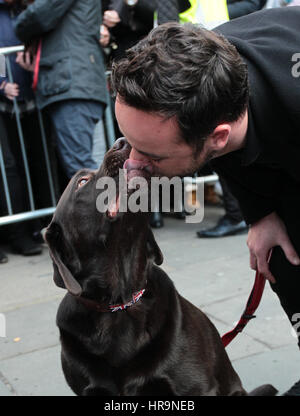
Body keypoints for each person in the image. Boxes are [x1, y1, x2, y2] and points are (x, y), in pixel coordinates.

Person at [111, 8, 300, 395]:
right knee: (282, 257)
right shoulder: (208, 71)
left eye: (152, 155)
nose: (131, 165)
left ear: (218, 136)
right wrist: (259, 214)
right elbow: (217, 147)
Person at [14, 0, 108, 180]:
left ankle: (105, 208)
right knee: (88, 167)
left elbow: (37, 17)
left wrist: (21, 25)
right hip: (79, 81)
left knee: (82, 171)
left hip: (72, 83)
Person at [0, 0, 43, 259]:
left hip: (23, 102)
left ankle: (28, 228)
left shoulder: (21, 10)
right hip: (7, 101)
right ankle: (16, 233)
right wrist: (2, 83)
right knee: (9, 169)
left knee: (25, 165)